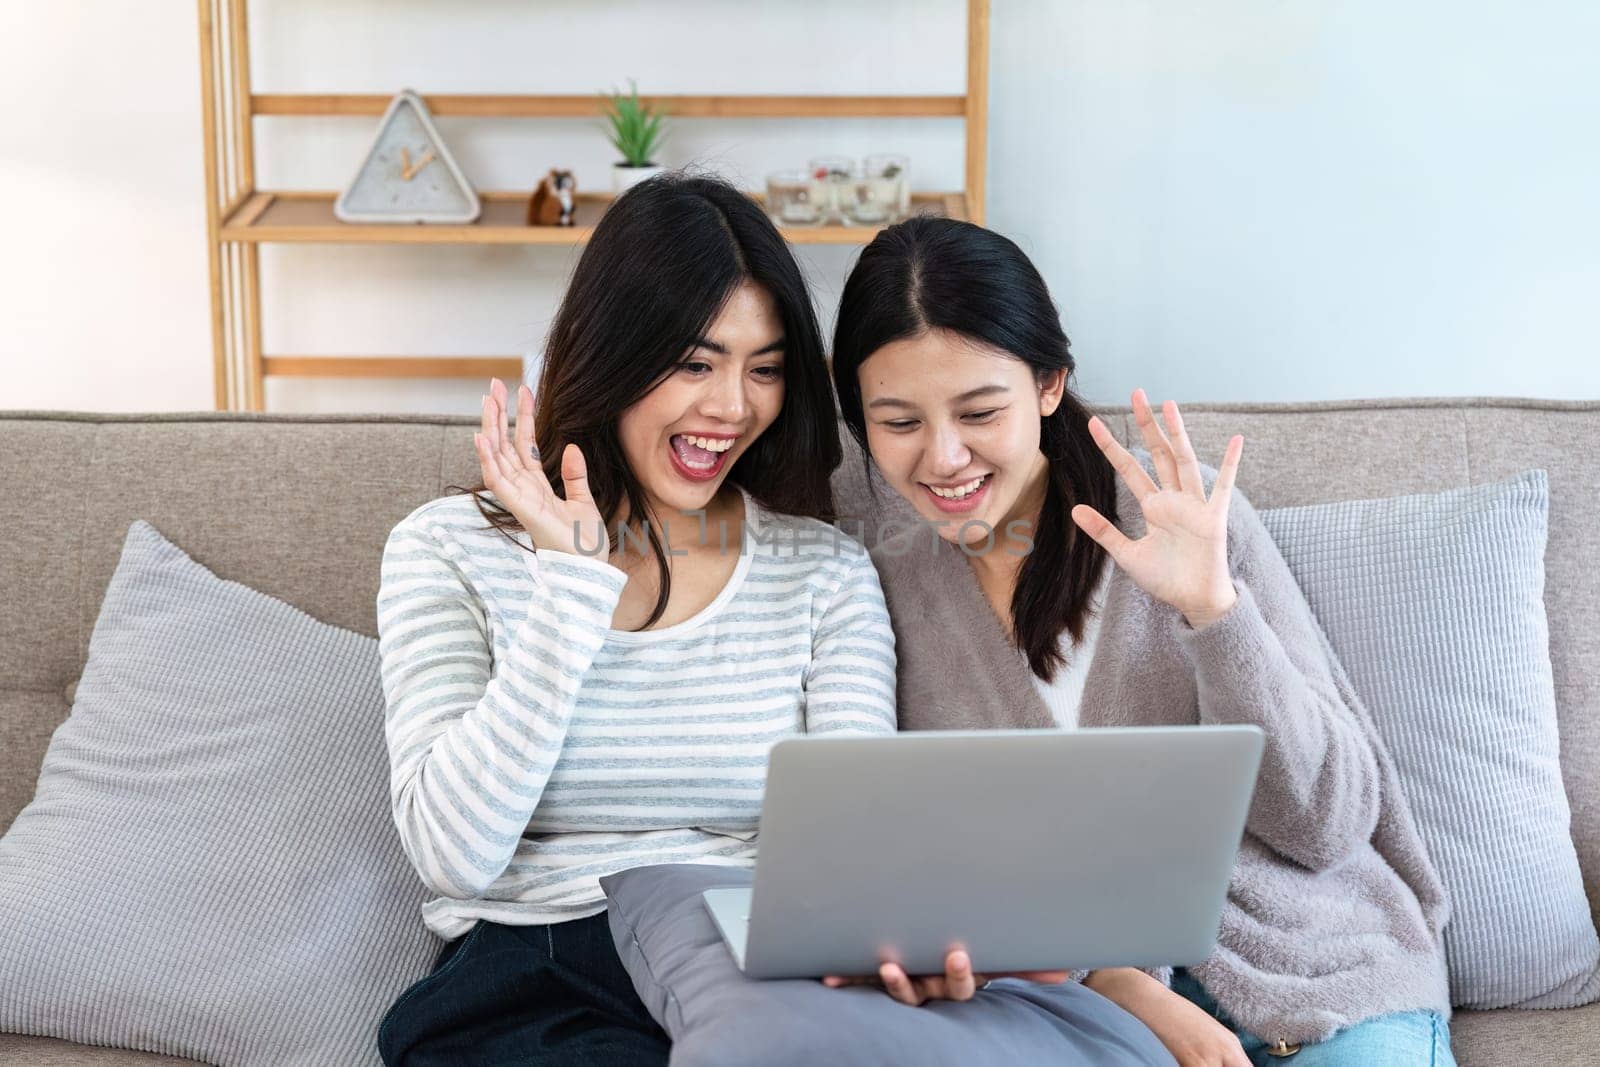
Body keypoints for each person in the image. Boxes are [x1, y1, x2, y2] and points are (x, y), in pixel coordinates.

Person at [826, 215, 1455, 1066]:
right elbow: (942, 868)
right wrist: (1114, 980)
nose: (943, 457)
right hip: (1078, 1009)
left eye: (980, 411)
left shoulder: (1180, 520)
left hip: (1321, 977)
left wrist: (1215, 614)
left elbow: (1327, 823)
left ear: (1049, 384)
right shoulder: (883, 589)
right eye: (898, 423)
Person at [372, 173, 897, 1066]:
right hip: (537, 973)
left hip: (747, 964)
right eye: (696, 362)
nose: (733, 406)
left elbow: (855, 848)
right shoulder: (446, 547)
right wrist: (573, 588)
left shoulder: (826, 570)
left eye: (764, 367)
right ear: (613, 350)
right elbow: (452, 853)